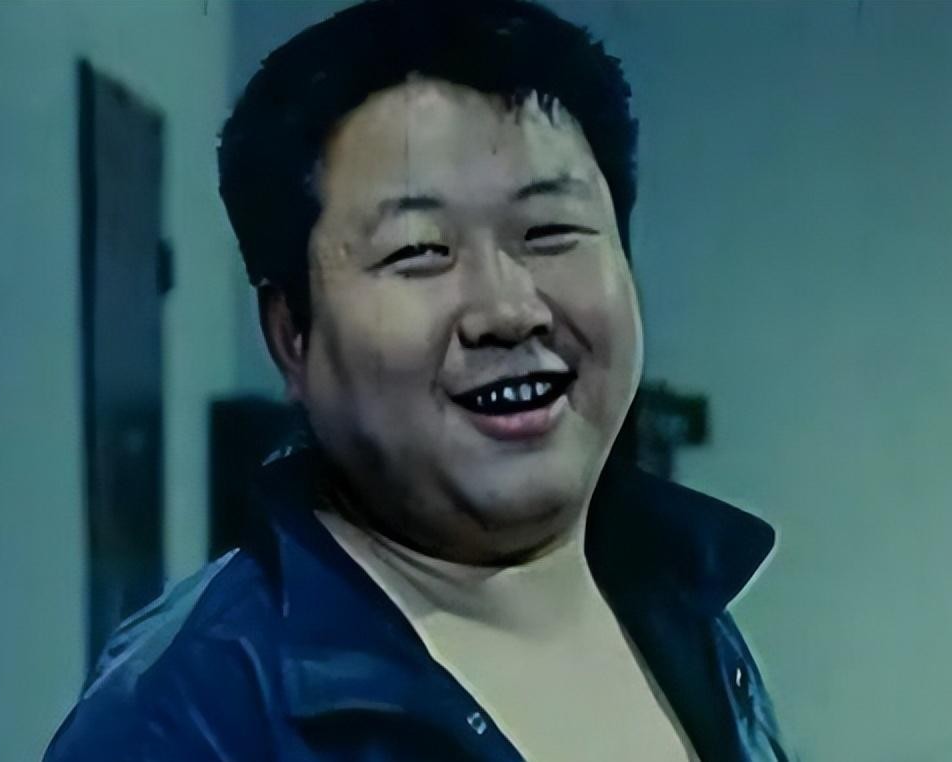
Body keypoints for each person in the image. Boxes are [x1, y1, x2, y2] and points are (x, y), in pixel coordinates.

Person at [44, 1, 788, 759]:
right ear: (292, 335)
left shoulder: (683, 606)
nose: (508, 311)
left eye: (550, 232)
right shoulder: (185, 714)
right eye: (419, 250)